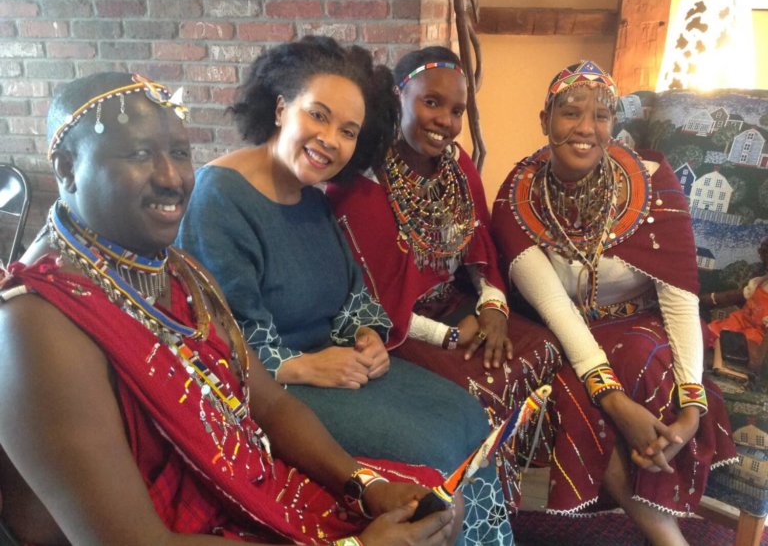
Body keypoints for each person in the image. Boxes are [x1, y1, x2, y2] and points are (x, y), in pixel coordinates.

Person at [0, 71, 463, 545]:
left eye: (179, 153)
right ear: (65, 167)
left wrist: (366, 485)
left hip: (248, 496)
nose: (171, 178)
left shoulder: (178, 271)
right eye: (139, 154)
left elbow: (272, 404)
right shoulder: (35, 325)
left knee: (435, 504)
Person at [175, 37, 511, 545]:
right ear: (281, 107)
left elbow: (353, 292)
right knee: (435, 445)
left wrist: (369, 336)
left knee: (467, 414)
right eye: (319, 115)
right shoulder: (218, 197)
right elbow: (222, 338)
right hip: (270, 391)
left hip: (335, 369)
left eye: (348, 130)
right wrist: (300, 365)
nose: (331, 139)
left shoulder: (309, 195)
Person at [491, 60, 737, 545]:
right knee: (575, 390)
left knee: (644, 361)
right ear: (545, 120)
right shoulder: (515, 200)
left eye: (601, 115)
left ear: (614, 124)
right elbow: (558, 312)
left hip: (639, 325)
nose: (586, 128)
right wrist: (618, 405)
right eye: (570, 113)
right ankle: (668, 537)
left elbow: (681, 299)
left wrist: (692, 408)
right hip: (558, 332)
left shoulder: (653, 183)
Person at [326, 46, 561, 510]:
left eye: (457, 110)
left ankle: (514, 500)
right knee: (482, 392)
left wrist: (493, 309)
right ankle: (473, 509)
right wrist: (451, 337)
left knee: (546, 348)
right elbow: (373, 309)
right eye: (431, 103)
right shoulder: (362, 186)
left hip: (463, 309)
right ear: (397, 98)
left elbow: (481, 250)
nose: (446, 122)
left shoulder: (459, 164)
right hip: (404, 331)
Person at [703, 236, 768, 381]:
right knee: (716, 333)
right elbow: (733, 296)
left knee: (733, 342)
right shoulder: (760, 283)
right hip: (739, 321)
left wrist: (759, 359)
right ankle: (717, 366)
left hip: (756, 333)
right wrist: (711, 298)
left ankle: (735, 372)